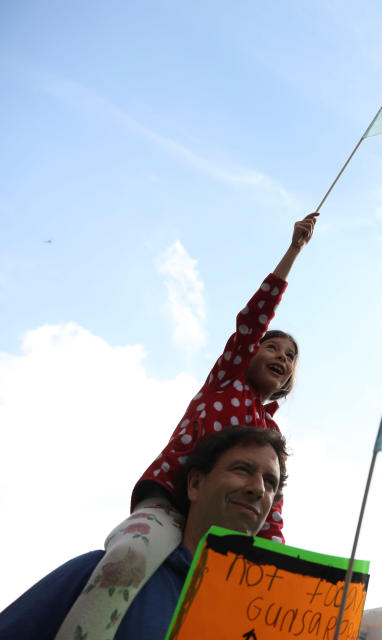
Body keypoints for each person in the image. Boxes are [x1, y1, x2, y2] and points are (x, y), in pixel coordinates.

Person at [54, 211, 317, 640]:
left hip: (225, 533)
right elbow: (252, 319)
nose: (283, 357)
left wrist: (279, 569)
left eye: (291, 357)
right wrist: (293, 251)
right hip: (171, 507)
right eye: (272, 346)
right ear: (247, 353)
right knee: (133, 555)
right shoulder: (226, 383)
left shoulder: (273, 443)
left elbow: (272, 511)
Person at [0, 426, 289, 640]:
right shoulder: (103, 572)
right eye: (242, 469)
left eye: (270, 482)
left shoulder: (261, 621)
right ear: (196, 484)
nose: (257, 488)